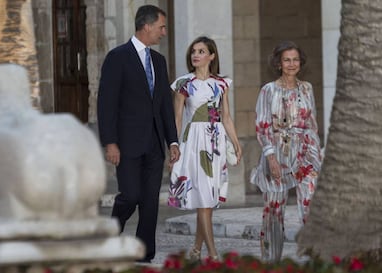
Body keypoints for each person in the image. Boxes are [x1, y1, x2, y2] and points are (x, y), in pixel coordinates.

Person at [97, 5, 180, 263]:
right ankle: (110, 239)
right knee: (130, 196)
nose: (163, 33)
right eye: (161, 27)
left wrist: (172, 140)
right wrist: (110, 142)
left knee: (150, 202)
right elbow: (106, 103)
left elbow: (165, 104)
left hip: (155, 144)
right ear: (147, 26)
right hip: (127, 144)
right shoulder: (117, 57)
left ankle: (145, 253)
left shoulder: (159, 61)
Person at [167, 36, 242, 261]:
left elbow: (226, 117)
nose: (196, 55)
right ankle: (213, 254)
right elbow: (177, 118)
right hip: (194, 144)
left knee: (207, 200)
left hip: (215, 142)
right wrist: (173, 145)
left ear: (211, 56)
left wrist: (236, 143)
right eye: (193, 51)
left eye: (201, 51)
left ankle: (196, 250)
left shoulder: (222, 83)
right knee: (205, 200)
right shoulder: (183, 84)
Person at [250, 41, 322, 262]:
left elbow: (312, 124)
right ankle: (271, 262)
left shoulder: (307, 88)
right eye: (287, 60)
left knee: (310, 206)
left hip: (305, 154)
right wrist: (271, 157)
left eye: (295, 59)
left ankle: (314, 260)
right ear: (279, 63)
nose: (292, 64)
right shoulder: (268, 90)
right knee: (274, 209)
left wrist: (317, 155)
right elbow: (262, 126)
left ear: (301, 63)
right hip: (277, 154)